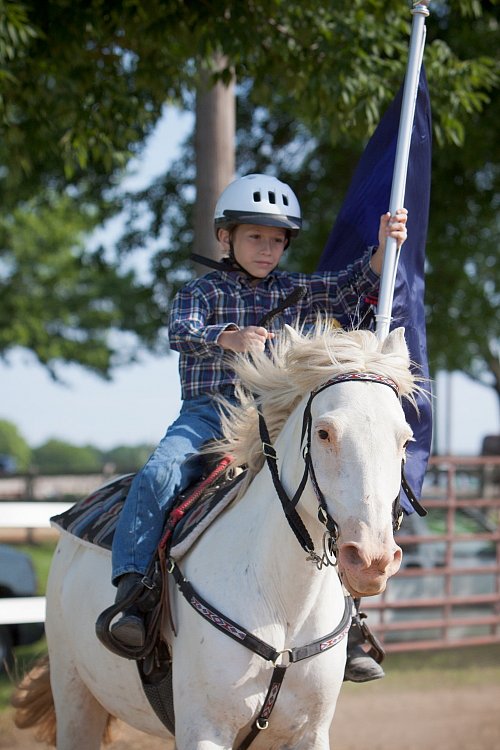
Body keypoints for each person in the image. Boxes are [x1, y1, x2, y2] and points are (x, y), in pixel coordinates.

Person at [106, 173, 408, 681]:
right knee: (159, 474)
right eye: (254, 237)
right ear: (226, 238)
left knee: (316, 502)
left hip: (274, 419)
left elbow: (347, 287)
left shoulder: (294, 290)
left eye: (276, 240)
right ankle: (134, 594)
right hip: (209, 413)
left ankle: (349, 622)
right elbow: (181, 331)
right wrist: (228, 337)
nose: (267, 249)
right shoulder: (200, 292)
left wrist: (383, 249)